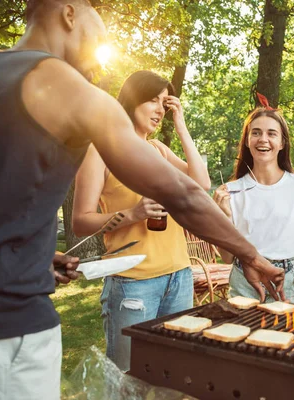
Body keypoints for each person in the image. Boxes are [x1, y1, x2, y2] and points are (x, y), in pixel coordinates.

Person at [0, 1, 283, 399]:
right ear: (69, 13)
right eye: (99, 24)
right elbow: (181, 193)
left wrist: (33, 254)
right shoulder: (70, 88)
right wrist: (248, 255)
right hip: (1, 332)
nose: (102, 41)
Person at [72, 70, 210, 371]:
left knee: (173, 372)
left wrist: (182, 126)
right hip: (133, 284)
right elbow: (80, 221)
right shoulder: (101, 151)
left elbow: (201, 184)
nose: (160, 109)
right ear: (132, 100)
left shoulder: (157, 150)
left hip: (179, 276)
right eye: (152, 100)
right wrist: (133, 215)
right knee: (128, 375)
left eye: (165, 102)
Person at [213, 106, 294, 311]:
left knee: (293, 342)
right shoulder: (229, 193)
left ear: (282, 142)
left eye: (271, 133)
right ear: (247, 141)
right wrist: (224, 215)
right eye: (255, 133)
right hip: (245, 280)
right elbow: (227, 258)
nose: (263, 139)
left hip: (290, 281)